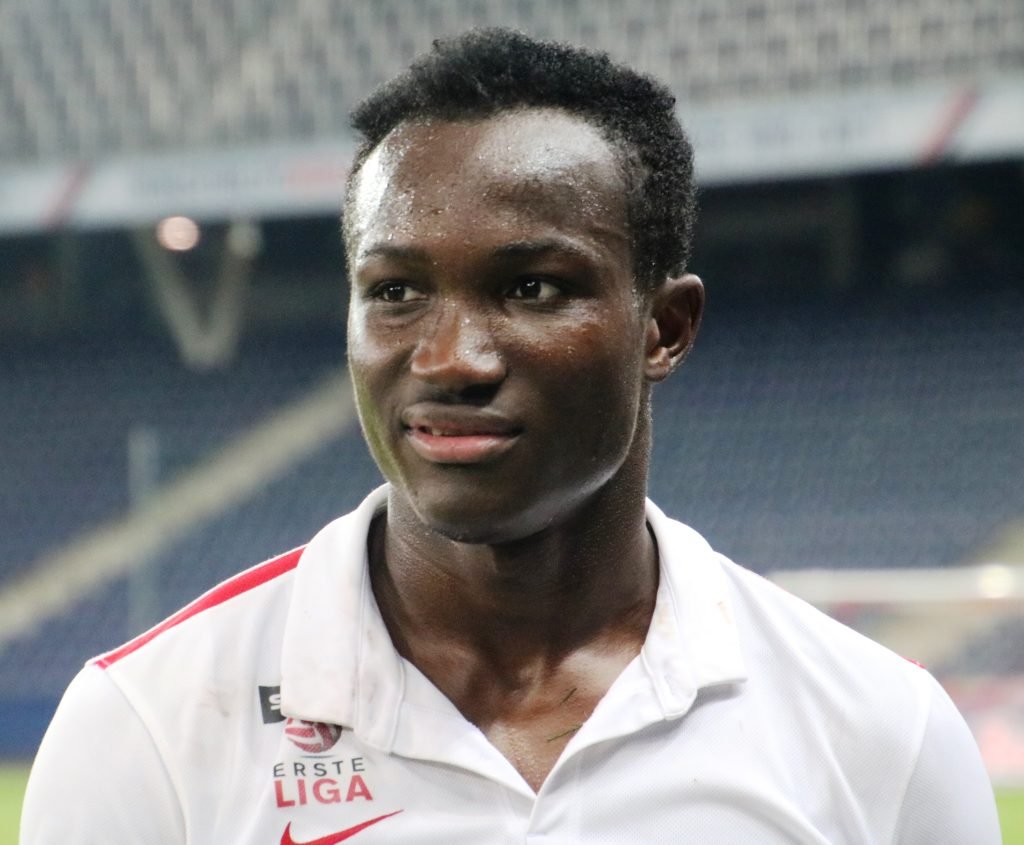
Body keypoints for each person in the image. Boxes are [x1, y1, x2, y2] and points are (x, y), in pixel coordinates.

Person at [21, 28, 1000, 844]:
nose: (451, 357)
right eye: (395, 291)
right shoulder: (146, 730)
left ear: (664, 328)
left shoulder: (882, 736)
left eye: (531, 287)